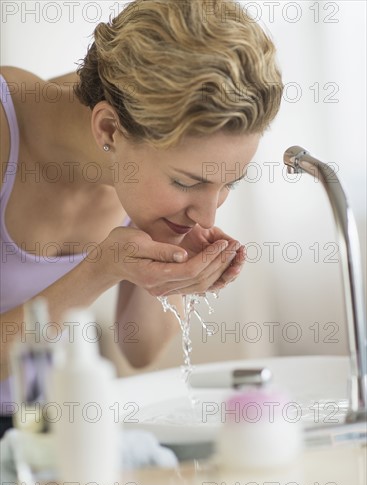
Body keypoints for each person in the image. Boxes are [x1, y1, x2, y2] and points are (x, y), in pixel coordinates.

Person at [0, 0, 283, 435]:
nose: (207, 215)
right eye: (188, 183)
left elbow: (140, 348)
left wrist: (166, 270)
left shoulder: (139, 171)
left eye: (230, 182)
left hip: (44, 430)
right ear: (109, 130)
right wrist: (101, 269)